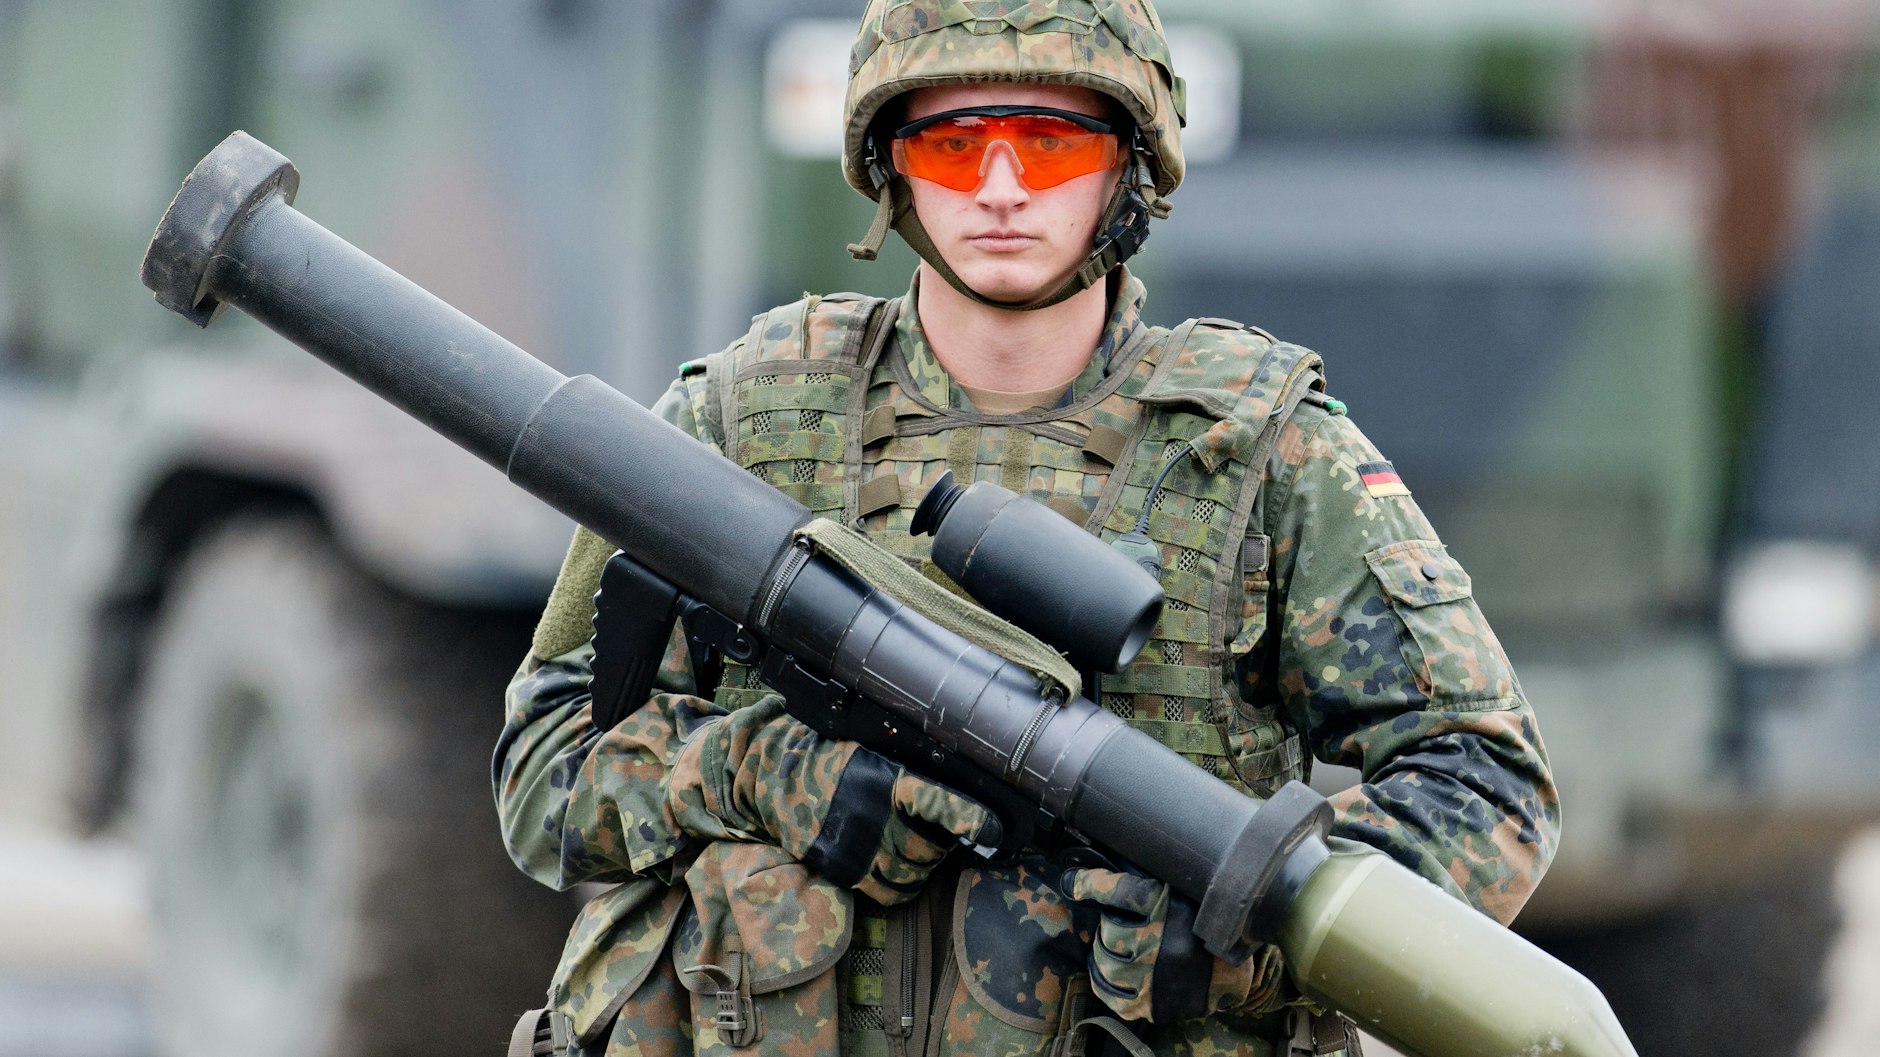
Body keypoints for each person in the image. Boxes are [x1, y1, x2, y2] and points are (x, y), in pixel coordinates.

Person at [495, 2, 1560, 1055]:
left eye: (1048, 145)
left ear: (1125, 166)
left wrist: (1245, 936)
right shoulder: (743, 420)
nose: (999, 189)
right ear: (892, 167)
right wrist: (771, 773)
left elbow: (1487, 781)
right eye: (953, 147)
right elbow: (543, 775)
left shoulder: (1258, 450)